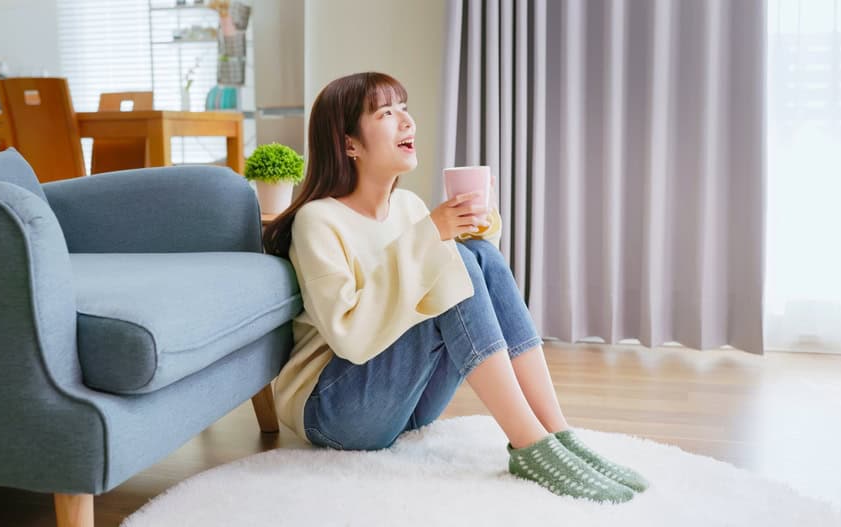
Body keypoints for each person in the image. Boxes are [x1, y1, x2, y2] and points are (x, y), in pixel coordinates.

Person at [262, 72, 647, 503]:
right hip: (335, 411)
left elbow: (466, 295)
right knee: (456, 259)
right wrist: (432, 238)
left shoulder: (407, 207)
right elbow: (349, 336)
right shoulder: (319, 221)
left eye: (404, 109)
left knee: (476, 254)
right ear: (349, 144)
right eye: (386, 113)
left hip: (403, 405)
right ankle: (529, 445)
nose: (406, 122)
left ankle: (555, 432)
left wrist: (474, 226)